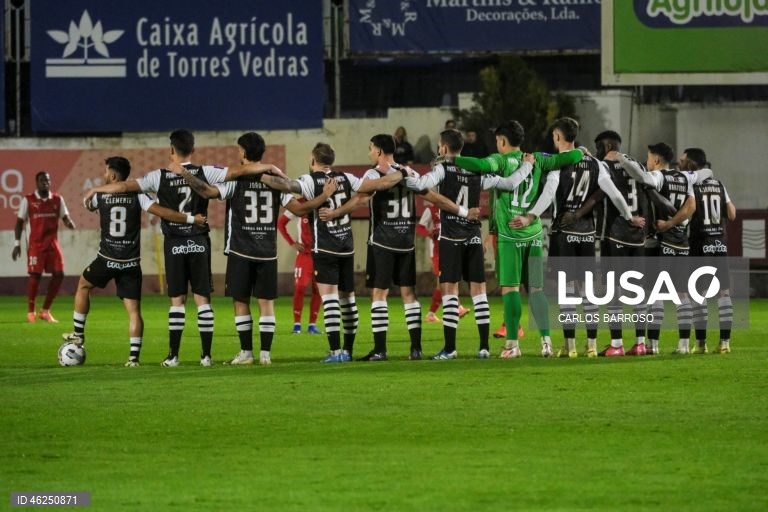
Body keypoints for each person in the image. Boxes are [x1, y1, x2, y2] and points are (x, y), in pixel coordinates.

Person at [168, 133, 333, 366]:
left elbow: (206, 192)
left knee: (241, 300)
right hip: (267, 251)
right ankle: (265, 354)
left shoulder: (236, 180)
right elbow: (300, 210)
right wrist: (324, 196)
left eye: (239, 150)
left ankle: (246, 352)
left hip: (241, 250)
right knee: (266, 303)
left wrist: (184, 173)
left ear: (244, 152)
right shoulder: (275, 181)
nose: (238, 153)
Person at [84, 129, 230, 367]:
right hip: (199, 242)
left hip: (174, 243)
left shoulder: (157, 176)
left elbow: (123, 187)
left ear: (171, 149)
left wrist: (95, 190)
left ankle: (173, 356)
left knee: (177, 301)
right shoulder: (207, 172)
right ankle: (206, 356)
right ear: (193, 149)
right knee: (203, 300)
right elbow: (237, 172)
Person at [322, 135, 474, 361]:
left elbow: (361, 199)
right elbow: (434, 197)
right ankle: (416, 349)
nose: (369, 153)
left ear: (380, 151)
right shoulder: (409, 172)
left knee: (379, 294)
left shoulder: (374, 174)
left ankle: (380, 349)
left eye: (371, 148)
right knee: (409, 294)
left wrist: (335, 213)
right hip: (406, 243)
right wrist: (462, 211)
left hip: (382, 241)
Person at [454, 120, 584, 358]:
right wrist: (580, 151)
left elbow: (479, 165)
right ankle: (546, 342)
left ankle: (512, 345)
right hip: (533, 232)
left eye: (497, 141)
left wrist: (452, 159)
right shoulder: (538, 159)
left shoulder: (500, 161)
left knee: (511, 289)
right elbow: (570, 157)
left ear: (502, 141)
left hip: (509, 234)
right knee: (536, 289)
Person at [62, 157, 206, 366]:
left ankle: (78, 335)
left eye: (106, 172)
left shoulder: (100, 194)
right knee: (134, 311)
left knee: (84, 285)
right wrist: (191, 219)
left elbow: (88, 205)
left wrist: (95, 196)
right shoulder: (139, 195)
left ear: (112, 175)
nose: (104, 176)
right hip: (130, 263)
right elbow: (163, 212)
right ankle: (133, 358)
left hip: (107, 258)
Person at [409, 129, 538, 359]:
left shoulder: (442, 168)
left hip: (451, 237)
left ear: (445, 148)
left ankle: (450, 348)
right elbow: (509, 183)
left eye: (440, 146)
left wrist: (407, 173)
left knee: (449, 290)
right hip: (473, 237)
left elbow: (421, 185)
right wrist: (527, 166)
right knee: (479, 292)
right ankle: (483, 347)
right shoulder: (477, 170)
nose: (439, 150)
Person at [520, 118, 644, 359]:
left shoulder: (558, 164)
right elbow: (616, 195)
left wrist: (531, 215)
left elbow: (548, 192)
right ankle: (592, 345)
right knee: (588, 292)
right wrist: (630, 217)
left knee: (567, 292)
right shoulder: (595, 164)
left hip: (564, 233)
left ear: (557, 137)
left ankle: (570, 347)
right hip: (587, 234)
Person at [609, 143, 696, 355]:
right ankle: (684, 344)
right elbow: (691, 206)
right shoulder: (685, 178)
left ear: (656, 160)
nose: (646, 163)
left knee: (653, 294)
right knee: (682, 294)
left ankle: (652, 345)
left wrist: (621, 158)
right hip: (682, 242)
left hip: (661, 241)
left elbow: (644, 178)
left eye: (648, 159)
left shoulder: (659, 176)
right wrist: (676, 223)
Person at [682, 148, 736, 355]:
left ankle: (701, 343)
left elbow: (689, 212)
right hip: (719, 243)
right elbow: (731, 214)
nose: (681, 163)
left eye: (684, 161)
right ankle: (724, 342)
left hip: (700, 242)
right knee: (724, 292)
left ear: (692, 165)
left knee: (699, 293)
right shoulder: (719, 184)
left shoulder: (692, 185)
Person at [12, 171, 76, 323]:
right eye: (41, 181)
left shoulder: (57, 199)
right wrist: (17, 244)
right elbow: (19, 222)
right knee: (35, 276)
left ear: (50, 182)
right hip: (36, 245)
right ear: (36, 183)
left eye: (47, 180)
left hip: (52, 244)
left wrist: (69, 223)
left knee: (59, 274)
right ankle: (30, 312)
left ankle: (45, 311)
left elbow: (65, 216)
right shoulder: (28, 200)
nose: (45, 183)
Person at [416, 201, 470, 323]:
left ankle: (431, 314)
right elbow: (420, 228)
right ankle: (458, 308)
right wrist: (430, 234)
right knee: (444, 280)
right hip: (436, 251)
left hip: (450, 248)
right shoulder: (430, 209)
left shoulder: (451, 207)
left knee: (445, 281)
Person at [278, 201, 322, 335]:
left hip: (320, 254)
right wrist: (292, 242)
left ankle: (312, 325)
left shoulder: (323, 202)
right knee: (300, 287)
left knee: (318, 289)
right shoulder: (299, 204)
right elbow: (281, 223)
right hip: (304, 255)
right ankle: (297, 324)